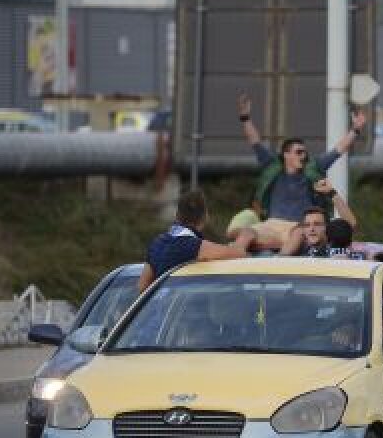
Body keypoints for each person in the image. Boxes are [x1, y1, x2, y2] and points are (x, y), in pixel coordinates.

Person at [229, 93, 367, 250]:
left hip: (299, 226)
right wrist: (245, 117)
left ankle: (281, 264)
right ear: (286, 154)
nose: (304, 155)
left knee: (297, 235)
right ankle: (234, 258)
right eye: (299, 152)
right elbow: (255, 142)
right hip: (272, 224)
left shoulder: (313, 168)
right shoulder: (272, 167)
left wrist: (355, 130)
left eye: (305, 152)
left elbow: (338, 150)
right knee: (246, 233)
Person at [138, 190, 253, 292]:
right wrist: (245, 236)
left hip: (163, 313)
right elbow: (239, 254)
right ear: (205, 217)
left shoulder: (157, 243)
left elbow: (143, 287)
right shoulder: (194, 247)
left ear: (177, 215)